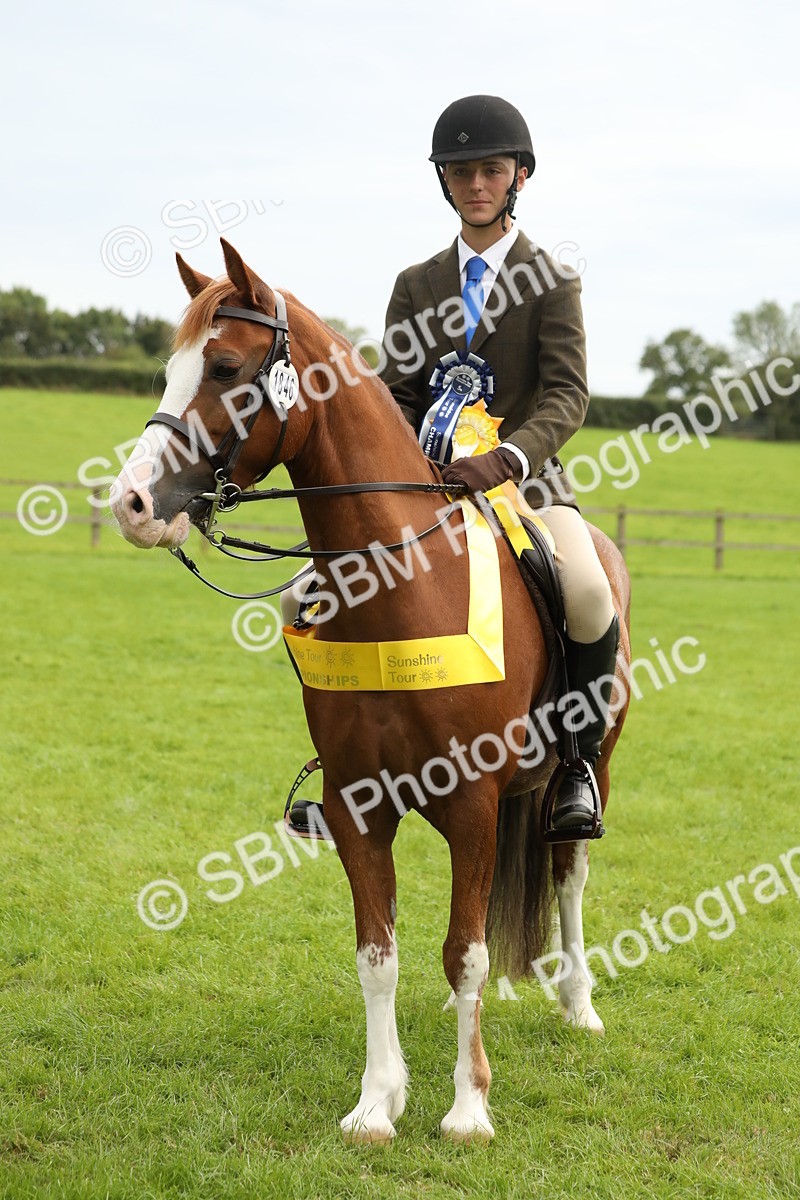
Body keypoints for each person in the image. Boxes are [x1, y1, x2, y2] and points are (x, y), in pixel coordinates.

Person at [287, 94, 618, 838]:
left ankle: (574, 764)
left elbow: (568, 394)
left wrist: (505, 459)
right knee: (305, 598)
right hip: (423, 491)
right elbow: (395, 396)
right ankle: (340, 768)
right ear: (445, 182)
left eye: (490, 170)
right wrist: (404, 464)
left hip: (525, 489)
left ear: (519, 177)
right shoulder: (416, 284)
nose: (476, 184)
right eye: (461, 171)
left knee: (590, 590)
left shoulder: (552, 281)